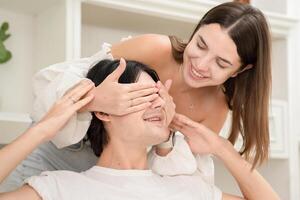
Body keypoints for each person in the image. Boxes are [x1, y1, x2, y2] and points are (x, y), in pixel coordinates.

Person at [0, 1, 272, 191]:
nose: (201, 64)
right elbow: (52, 91)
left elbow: (174, 179)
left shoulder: (215, 109)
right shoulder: (154, 49)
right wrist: (96, 99)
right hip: (52, 151)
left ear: (241, 70)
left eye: (221, 63)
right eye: (200, 44)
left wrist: (167, 140)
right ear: (197, 28)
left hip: (104, 179)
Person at [0, 60, 279, 200]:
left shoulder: (189, 188)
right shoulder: (61, 188)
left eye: (158, 94)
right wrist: (45, 129)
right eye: (141, 96)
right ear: (103, 111)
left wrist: (221, 148)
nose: (158, 103)